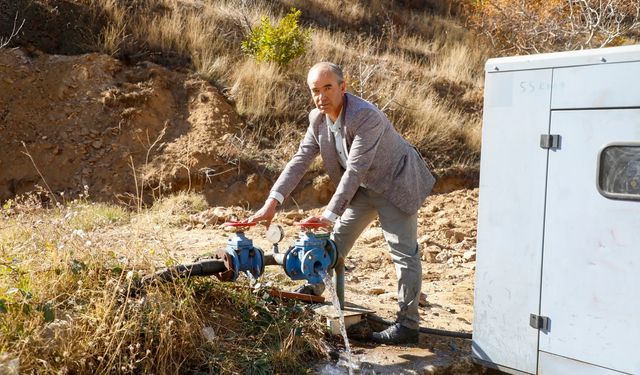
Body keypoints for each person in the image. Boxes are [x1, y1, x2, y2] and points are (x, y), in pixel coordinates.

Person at [246, 62, 435, 345]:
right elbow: (300, 161)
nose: (321, 96)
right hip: (363, 188)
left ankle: (408, 326)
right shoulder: (317, 119)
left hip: (396, 183)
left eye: (328, 88)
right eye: (315, 91)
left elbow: (355, 169)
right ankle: (316, 288)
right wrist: (272, 202)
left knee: (403, 253)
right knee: (335, 243)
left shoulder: (365, 116)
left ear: (343, 87)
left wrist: (330, 213)